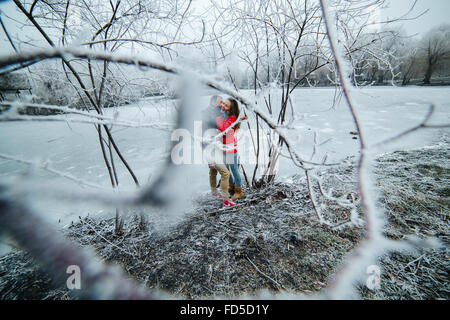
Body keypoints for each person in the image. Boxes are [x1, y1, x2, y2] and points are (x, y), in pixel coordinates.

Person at [203, 95, 236, 208]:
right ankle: (226, 200)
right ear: (214, 102)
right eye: (220, 101)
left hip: (218, 145)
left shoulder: (220, 112)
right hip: (210, 147)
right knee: (225, 173)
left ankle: (214, 193)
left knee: (213, 171)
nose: (222, 103)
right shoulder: (206, 114)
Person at [216, 98, 248, 201]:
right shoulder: (227, 116)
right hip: (224, 148)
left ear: (230, 109)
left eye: (226, 105)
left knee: (234, 170)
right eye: (223, 104)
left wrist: (218, 116)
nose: (223, 106)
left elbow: (223, 129)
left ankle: (239, 191)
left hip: (230, 149)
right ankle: (231, 186)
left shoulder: (232, 118)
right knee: (226, 169)